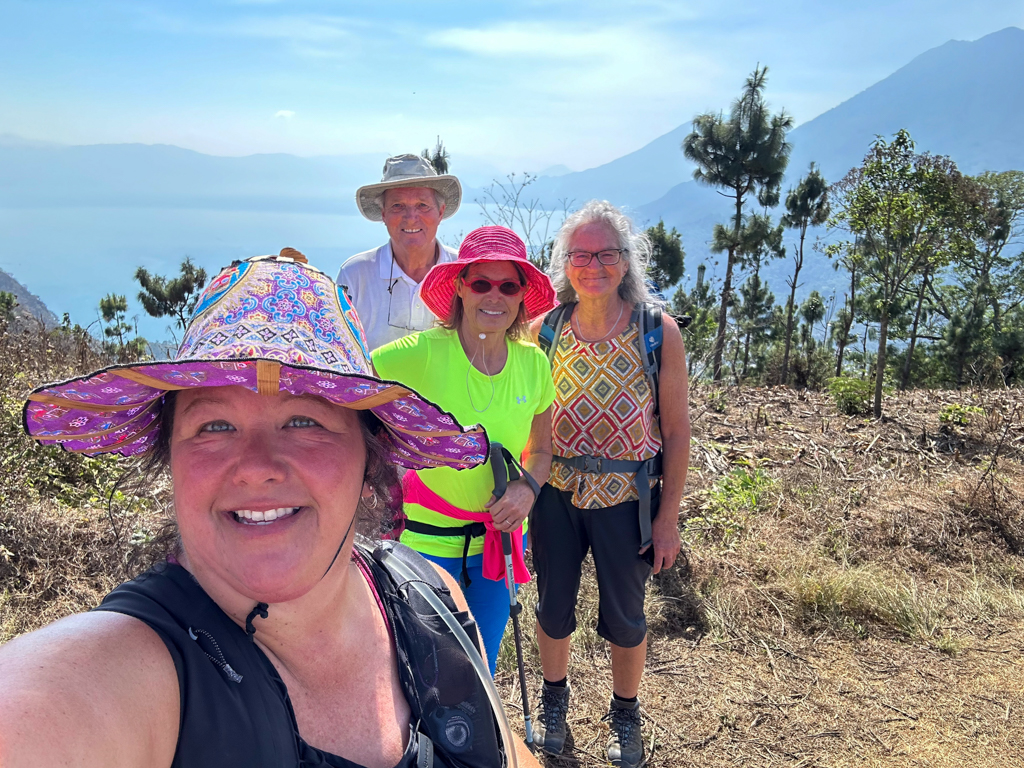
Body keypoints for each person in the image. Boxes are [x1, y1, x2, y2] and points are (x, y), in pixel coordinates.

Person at [1, 251, 540, 768]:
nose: (256, 466)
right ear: (172, 460)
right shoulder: (125, 674)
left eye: (304, 422)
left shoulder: (429, 598)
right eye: (213, 426)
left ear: (369, 459)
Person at [528, 201, 691, 768]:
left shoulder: (656, 332)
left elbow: (675, 431)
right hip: (555, 491)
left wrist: (668, 518)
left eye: (605, 254)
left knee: (626, 614)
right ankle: (554, 703)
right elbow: (523, 413)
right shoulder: (543, 331)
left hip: (628, 500)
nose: (591, 265)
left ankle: (625, 712)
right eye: (580, 254)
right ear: (565, 262)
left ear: (625, 262)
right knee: (552, 607)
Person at [372, 225, 556, 676]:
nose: (493, 296)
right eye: (480, 283)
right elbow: (353, 380)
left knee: (482, 664)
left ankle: (478, 746)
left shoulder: (533, 363)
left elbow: (543, 450)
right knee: (427, 666)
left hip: (499, 543)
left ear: (520, 298)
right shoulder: (423, 353)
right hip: (427, 540)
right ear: (460, 288)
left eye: (507, 286)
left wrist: (527, 490)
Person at [338, 153, 462, 352]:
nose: (411, 218)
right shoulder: (355, 275)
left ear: (440, 212)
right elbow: (341, 351)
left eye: (422, 205)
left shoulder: (464, 271)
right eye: (398, 206)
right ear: (384, 214)